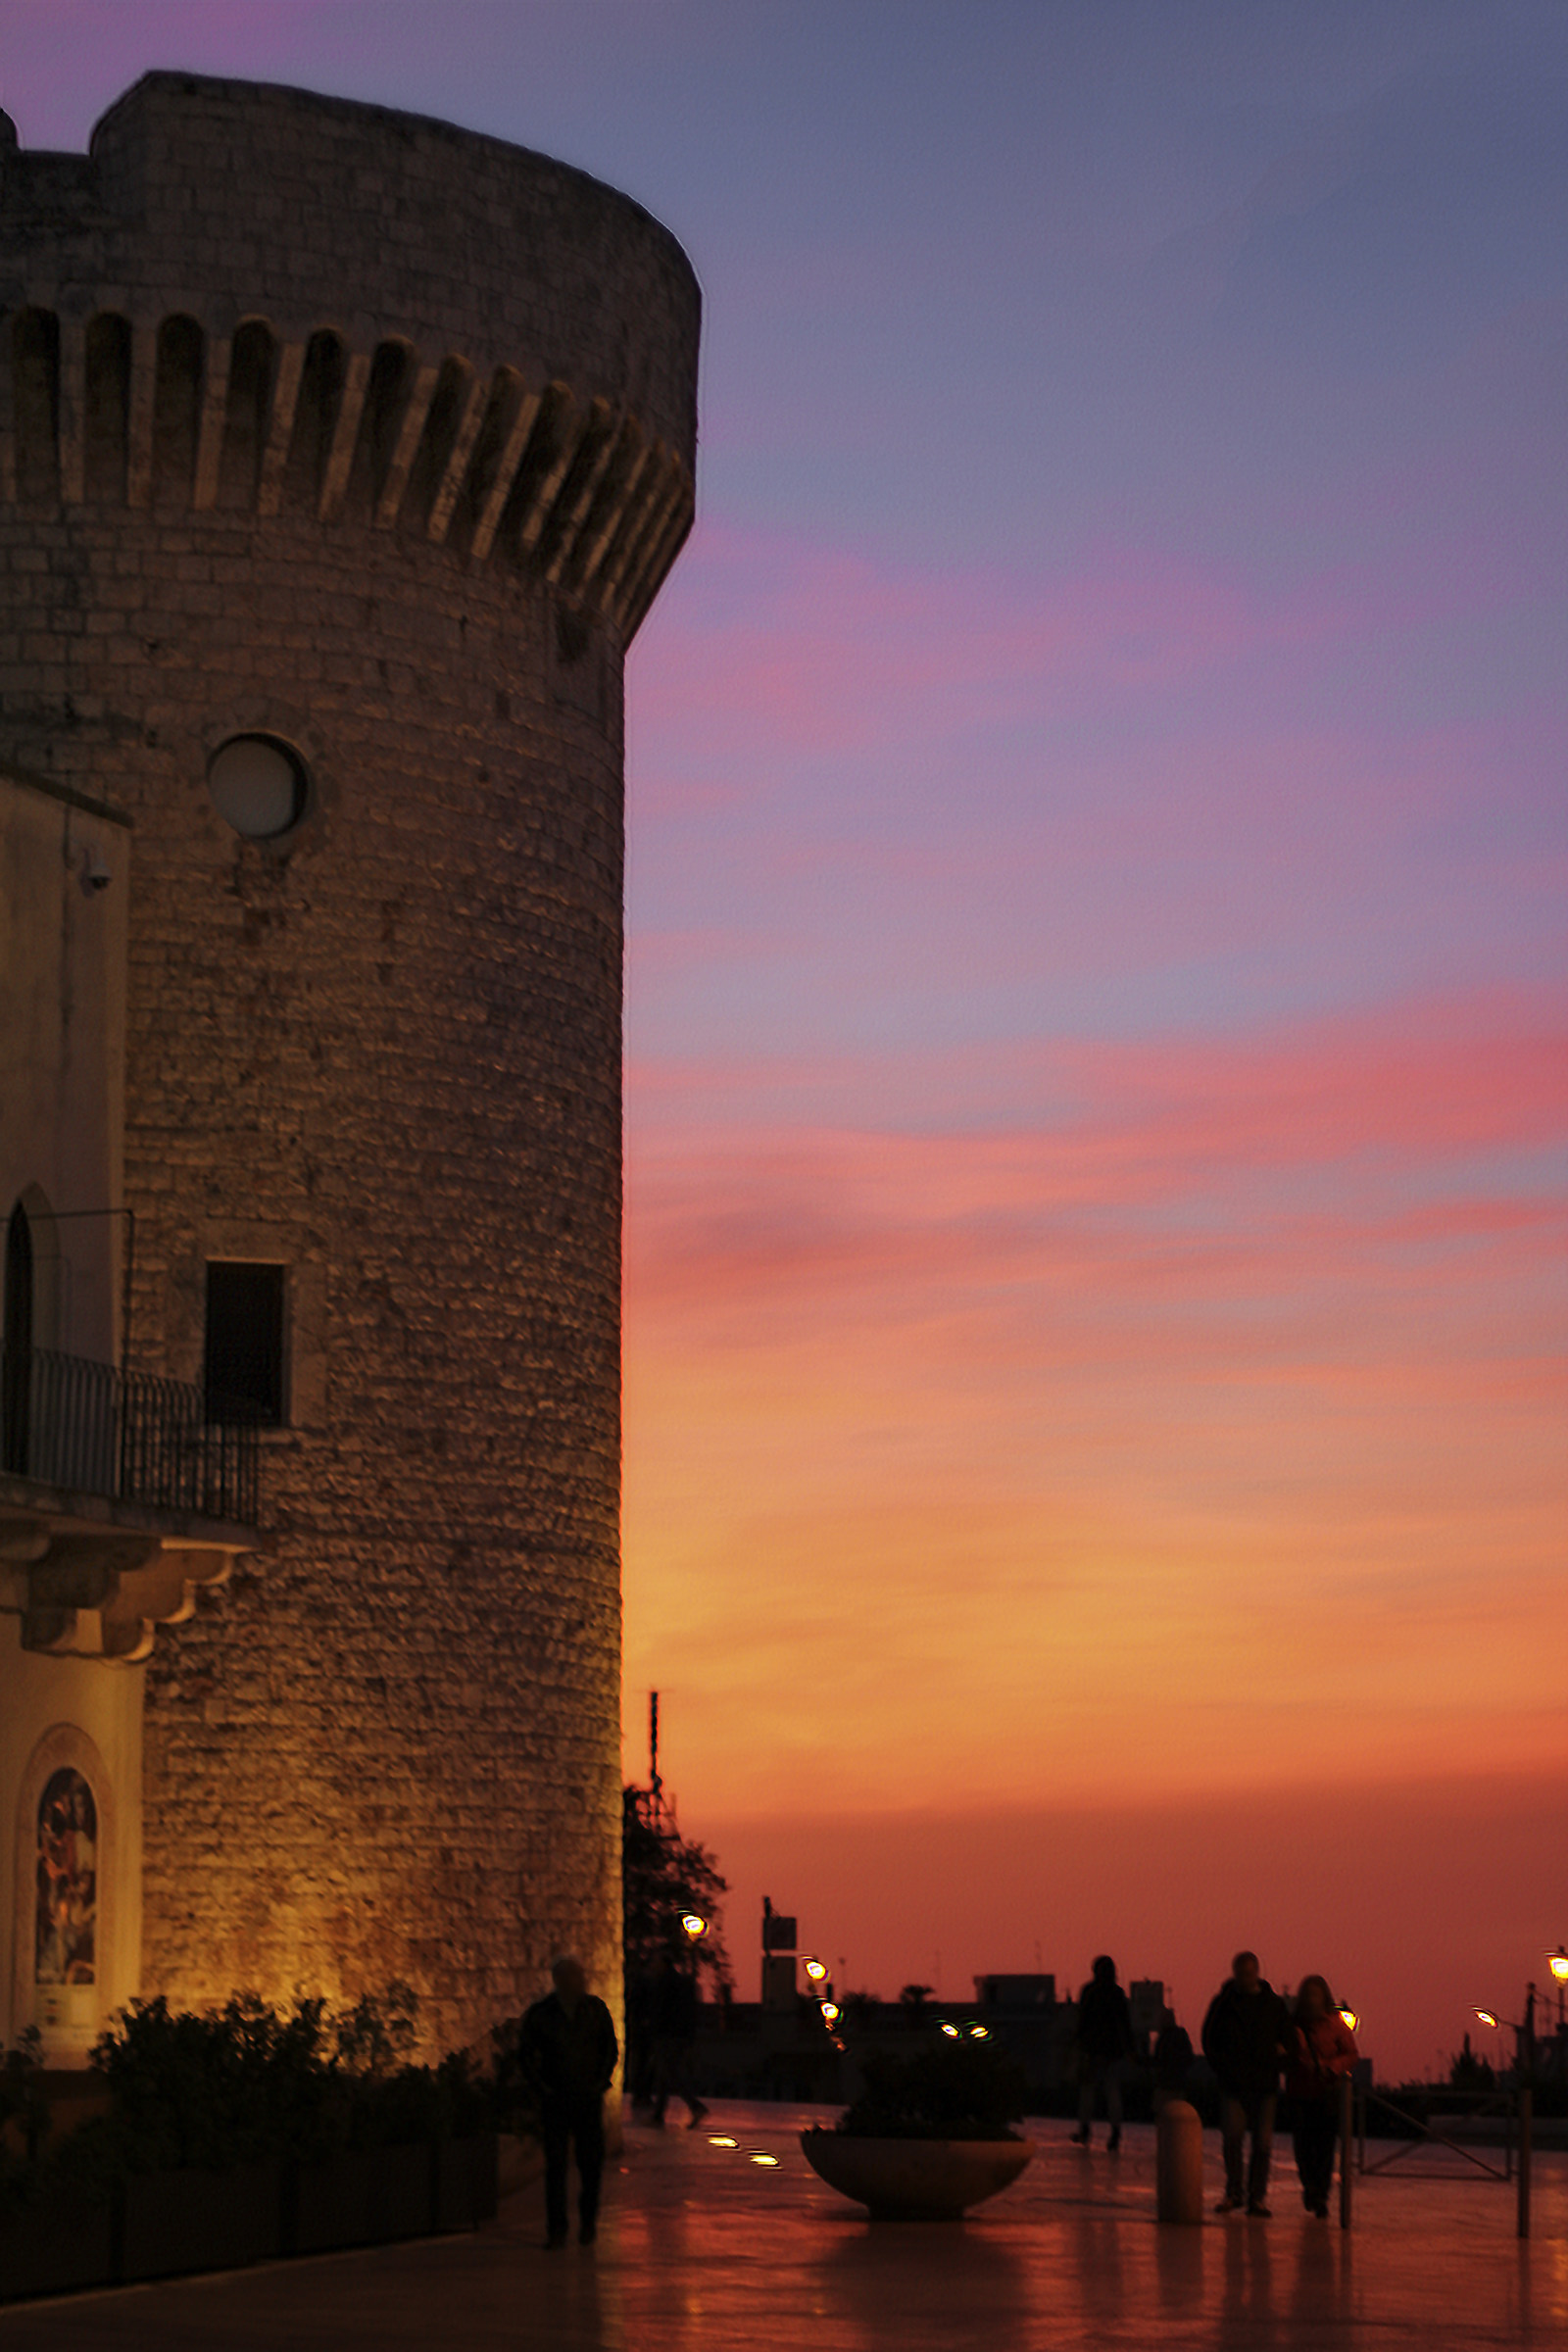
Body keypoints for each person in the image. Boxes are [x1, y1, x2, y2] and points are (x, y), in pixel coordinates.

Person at [520, 1955, 619, 2249]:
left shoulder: (595, 2010)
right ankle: (557, 2229)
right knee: (556, 2167)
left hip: (587, 2099)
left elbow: (609, 2050)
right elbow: (526, 2055)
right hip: (556, 2100)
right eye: (573, 1976)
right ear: (560, 1980)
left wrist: (599, 2084)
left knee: (591, 2166)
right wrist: (543, 2089)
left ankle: (588, 2223)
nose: (580, 1980)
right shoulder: (542, 2014)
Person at [1200, 1950, 1293, 2217]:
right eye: (1241, 1974)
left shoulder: (1273, 2005)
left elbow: (1289, 2040)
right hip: (1234, 2083)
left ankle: (1256, 2197)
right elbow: (1209, 2037)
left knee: (1262, 2144)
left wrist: (1279, 2061)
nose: (1244, 1978)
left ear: (1256, 1973)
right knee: (1233, 2140)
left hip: (1264, 2084)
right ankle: (1235, 2193)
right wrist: (1222, 2066)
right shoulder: (1224, 2004)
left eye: (1248, 1973)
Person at [1287, 1975, 1356, 2218]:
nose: (1311, 2000)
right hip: (1300, 2091)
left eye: (1315, 1995)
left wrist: (1331, 2068)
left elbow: (1351, 2053)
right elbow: (1288, 2054)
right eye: (1308, 1995)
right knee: (1303, 2147)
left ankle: (1321, 2194)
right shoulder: (1293, 2025)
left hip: (1326, 2094)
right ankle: (1310, 2187)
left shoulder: (1336, 2024)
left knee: (1325, 2147)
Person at [1070, 1954, 1134, 2152]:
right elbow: (1125, 2024)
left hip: (1091, 2049)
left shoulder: (1090, 1991)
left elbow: (1082, 2019)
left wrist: (1078, 2042)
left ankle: (1085, 2130)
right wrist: (1129, 2049)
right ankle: (1115, 2132)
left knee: (1087, 2092)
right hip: (1113, 2051)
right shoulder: (1117, 1993)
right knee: (1112, 2092)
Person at [645, 1950, 709, 2130]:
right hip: (677, 2035)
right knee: (665, 2074)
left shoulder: (665, 1984)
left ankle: (695, 2106)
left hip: (668, 2035)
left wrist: (653, 2028)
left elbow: (661, 2011)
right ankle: (658, 2115)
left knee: (670, 2073)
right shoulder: (679, 1982)